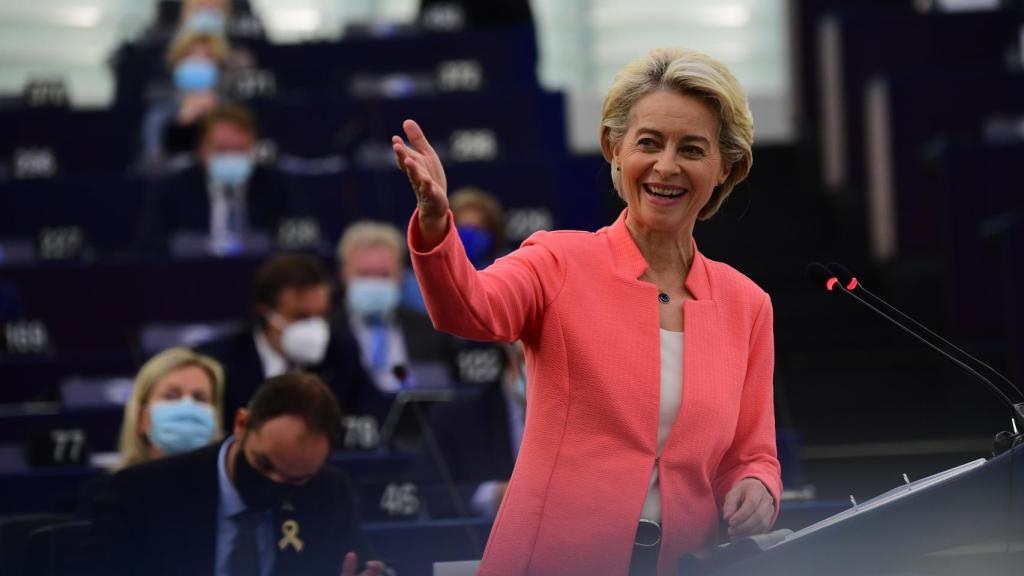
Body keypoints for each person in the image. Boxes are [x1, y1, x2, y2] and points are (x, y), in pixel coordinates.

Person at [392, 46, 781, 575]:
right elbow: (470, 310)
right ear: (614, 148)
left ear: (725, 168)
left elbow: (752, 453)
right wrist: (438, 222)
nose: (666, 166)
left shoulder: (748, 305)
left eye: (692, 149)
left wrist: (758, 487)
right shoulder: (557, 260)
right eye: (649, 143)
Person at [87, 372, 383, 576]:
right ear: (242, 424)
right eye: (265, 465)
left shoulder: (328, 493)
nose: (275, 483)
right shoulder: (142, 492)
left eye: (295, 480)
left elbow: (362, 568)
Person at [200, 253, 386, 423]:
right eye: (301, 317)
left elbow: (372, 414)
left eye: (321, 316)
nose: (315, 327)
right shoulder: (221, 363)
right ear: (267, 314)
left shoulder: (341, 352)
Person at [137, 103, 291, 257]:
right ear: (200, 149)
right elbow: (150, 245)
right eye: (221, 150)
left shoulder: (277, 185)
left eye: (240, 150)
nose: (231, 158)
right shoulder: (170, 188)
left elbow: (300, 239)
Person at [334, 220, 458, 393]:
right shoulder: (327, 332)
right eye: (364, 274)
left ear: (400, 276)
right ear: (343, 275)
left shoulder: (432, 331)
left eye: (384, 274)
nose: (374, 283)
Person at [118, 347, 226, 469]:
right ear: (142, 418)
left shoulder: (232, 487)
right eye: (171, 396)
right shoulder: (112, 487)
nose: (188, 406)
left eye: (200, 398)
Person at [140, 30, 228, 164]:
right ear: (176, 60)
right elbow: (154, 164)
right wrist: (183, 123)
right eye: (191, 55)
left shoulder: (231, 107)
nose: (199, 61)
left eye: (208, 56)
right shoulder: (159, 110)